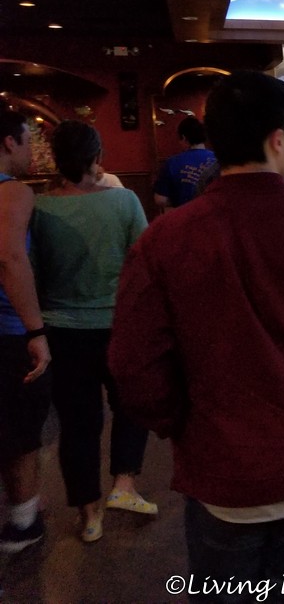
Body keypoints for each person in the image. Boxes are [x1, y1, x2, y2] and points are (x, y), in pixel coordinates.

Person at [108, 72, 284, 600]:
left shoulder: (163, 239)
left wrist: (183, 425)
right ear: (278, 140)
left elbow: (134, 365)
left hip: (220, 469)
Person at [31, 120, 155, 544]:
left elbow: (34, 271)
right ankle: (124, 485)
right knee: (132, 405)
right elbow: (143, 264)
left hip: (63, 331)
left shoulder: (40, 209)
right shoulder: (124, 201)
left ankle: (89, 514)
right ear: (97, 156)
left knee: (78, 423)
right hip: (119, 325)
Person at [0, 111, 51, 553]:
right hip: (7, 331)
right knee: (19, 431)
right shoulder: (13, 192)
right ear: (8, 142)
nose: (31, 150)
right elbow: (10, 258)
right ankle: (22, 522)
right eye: (27, 139)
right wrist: (36, 330)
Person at [153, 116, 215, 211]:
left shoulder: (172, 163)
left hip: (184, 214)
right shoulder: (218, 159)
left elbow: (160, 200)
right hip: (214, 214)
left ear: (184, 138)